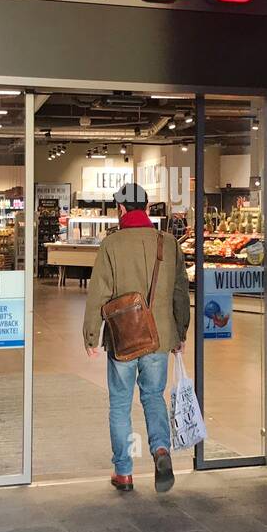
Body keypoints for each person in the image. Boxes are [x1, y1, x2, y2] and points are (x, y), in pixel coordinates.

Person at [83, 183, 190, 494]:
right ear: (146, 207)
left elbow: (98, 293)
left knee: (119, 403)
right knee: (153, 396)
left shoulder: (112, 245)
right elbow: (180, 292)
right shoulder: (168, 243)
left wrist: (91, 334)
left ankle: (124, 472)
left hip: (124, 338)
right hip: (159, 337)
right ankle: (160, 451)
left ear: (120, 209)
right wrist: (180, 331)